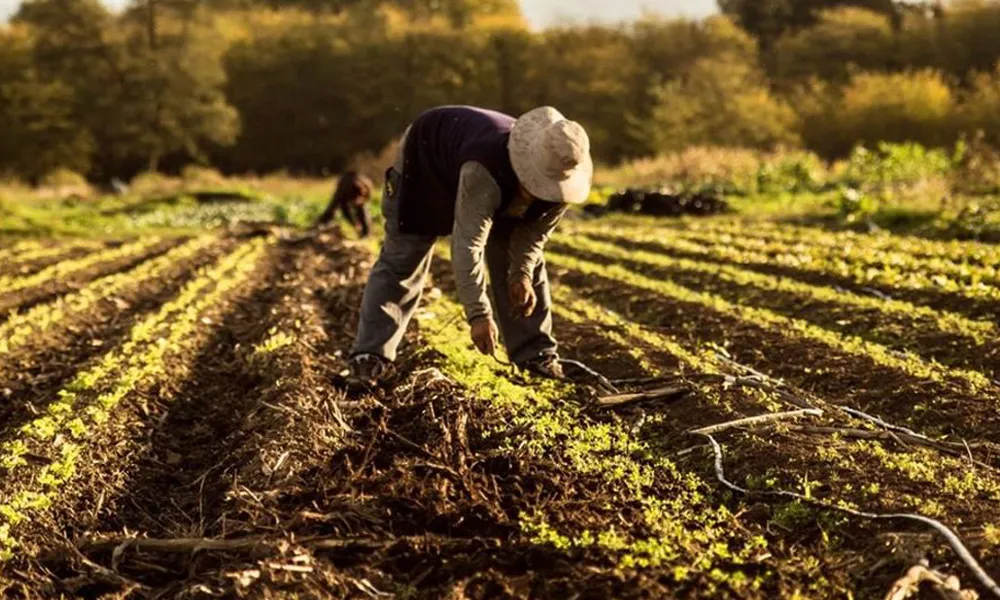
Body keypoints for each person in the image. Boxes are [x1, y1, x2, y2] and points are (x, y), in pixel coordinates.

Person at [346, 105, 592, 389]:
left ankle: (535, 355)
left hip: (486, 176)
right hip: (427, 162)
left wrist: (521, 273)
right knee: (404, 257)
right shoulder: (484, 167)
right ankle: (369, 357)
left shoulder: (563, 175)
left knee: (523, 266)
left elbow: (533, 236)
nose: (539, 190)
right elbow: (467, 244)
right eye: (536, 183)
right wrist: (479, 314)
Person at [315, 171, 374, 238]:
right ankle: (319, 224)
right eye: (355, 201)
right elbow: (345, 210)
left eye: (359, 200)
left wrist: (363, 227)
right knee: (332, 208)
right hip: (344, 183)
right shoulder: (343, 193)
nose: (356, 204)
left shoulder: (367, 188)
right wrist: (354, 224)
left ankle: (366, 234)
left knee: (362, 211)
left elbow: (364, 212)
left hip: (359, 183)